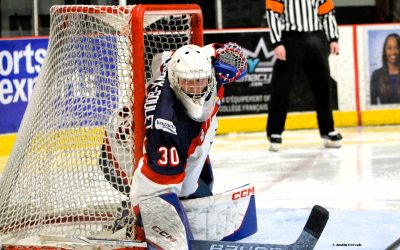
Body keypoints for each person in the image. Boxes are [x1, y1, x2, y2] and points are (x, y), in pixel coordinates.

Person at [119, 43, 248, 242]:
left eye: (202, 81)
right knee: (162, 193)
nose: (197, 89)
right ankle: (131, 220)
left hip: (175, 137)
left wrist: (229, 58)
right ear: (175, 80)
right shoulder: (166, 124)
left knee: (200, 179)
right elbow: (153, 189)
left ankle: (187, 196)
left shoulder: (201, 63)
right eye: (189, 83)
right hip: (120, 151)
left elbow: (221, 53)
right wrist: (160, 222)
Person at [265, 0, 343, 151]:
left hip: (316, 38)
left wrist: (333, 38)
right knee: (282, 86)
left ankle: (328, 130)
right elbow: (273, 14)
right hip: (290, 38)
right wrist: (277, 42)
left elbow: (327, 13)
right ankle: (274, 132)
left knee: (323, 87)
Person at [370, 33, 400, 105]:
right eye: (389, 48)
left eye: (397, 48)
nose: (393, 52)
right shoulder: (376, 75)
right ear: (385, 51)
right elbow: (372, 104)